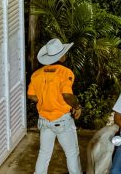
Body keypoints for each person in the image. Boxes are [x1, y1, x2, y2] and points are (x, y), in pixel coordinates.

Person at [27, 39, 82, 174]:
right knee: (72, 154)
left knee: (44, 154)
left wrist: (45, 99)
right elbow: (67, 95)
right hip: (62, 121)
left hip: (44, 121)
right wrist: (77, 106)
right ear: (61, 56)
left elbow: (31, 96)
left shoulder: (36, 74)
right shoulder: (65, 72)